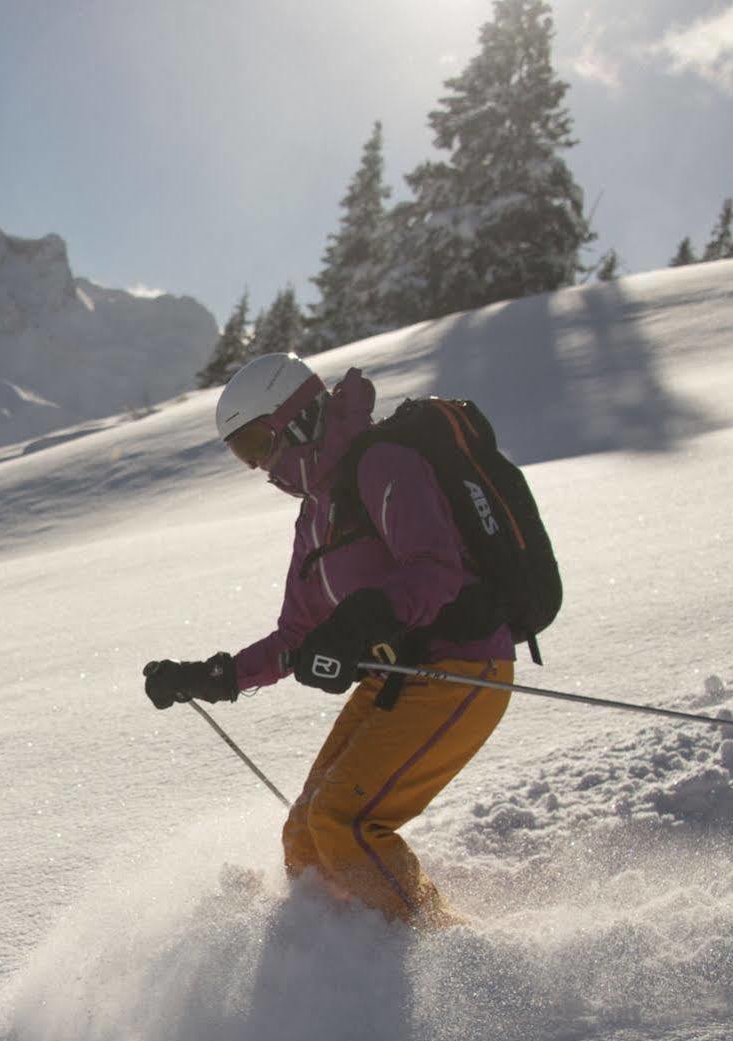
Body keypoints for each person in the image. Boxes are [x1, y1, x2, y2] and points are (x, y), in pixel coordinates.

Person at [142, 352, 514, 927]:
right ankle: (342, 956)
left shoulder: (383, 466)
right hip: (396, 679)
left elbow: (434, 568)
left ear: (294, 420)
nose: (259, 467)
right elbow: (298, 633)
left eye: (257, 445)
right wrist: (213, 676)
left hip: (460, 668)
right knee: (305, 837)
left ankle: (441, 952)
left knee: (345, 820)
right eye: (244, 456)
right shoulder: (316, 513)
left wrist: (359, 624)